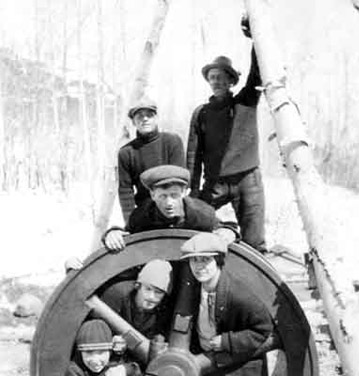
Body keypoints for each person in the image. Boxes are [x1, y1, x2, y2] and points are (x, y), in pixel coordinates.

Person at [186, 17, 267, 254]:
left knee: (255, 241)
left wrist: (256, 36)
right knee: (194, 218)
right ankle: (229, 235)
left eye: (222, 77)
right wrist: (192, 192)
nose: (217, 81)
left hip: (247, 180)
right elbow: (193, 156)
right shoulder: (201, 113)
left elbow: (258, 72)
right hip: (215, 183)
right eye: (213, 77)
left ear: (231, 81)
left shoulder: (245, 102)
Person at [180, 232, 273, 375]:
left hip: (238, 366)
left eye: (205, 259)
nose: (199, 266)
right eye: (194, 260)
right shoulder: (193, 290)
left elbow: (263, 329)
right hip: (206, 361)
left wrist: (226, 341)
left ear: (218, 260)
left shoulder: (239, 295)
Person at [103, 165, 238, 252]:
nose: (169, 203)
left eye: (174, 195)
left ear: (184, 193)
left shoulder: (201, 213)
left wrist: (229, 232)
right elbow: (127, 236)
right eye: (163, 196)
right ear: (152, 195)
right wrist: (112, 234)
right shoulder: (141, 216)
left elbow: (225, 228)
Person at [118, 97, 185, 223]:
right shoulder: (126, 152)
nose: (145, 119)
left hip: (173, 207)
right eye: (139, 116)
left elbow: (180, 180)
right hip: (146, 212)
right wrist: (130, 221)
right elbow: (125, 190)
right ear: (133, 122)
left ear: (156, 118)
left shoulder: (172, 142)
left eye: (149, 115)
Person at [66, 319, 141, 376]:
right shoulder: (72, 370)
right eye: (89, 352)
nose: (95, 360)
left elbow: (135, 370)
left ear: (110, 352)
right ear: (80, 353)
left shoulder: (113, 363)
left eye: (101, 352)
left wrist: (125, 370)